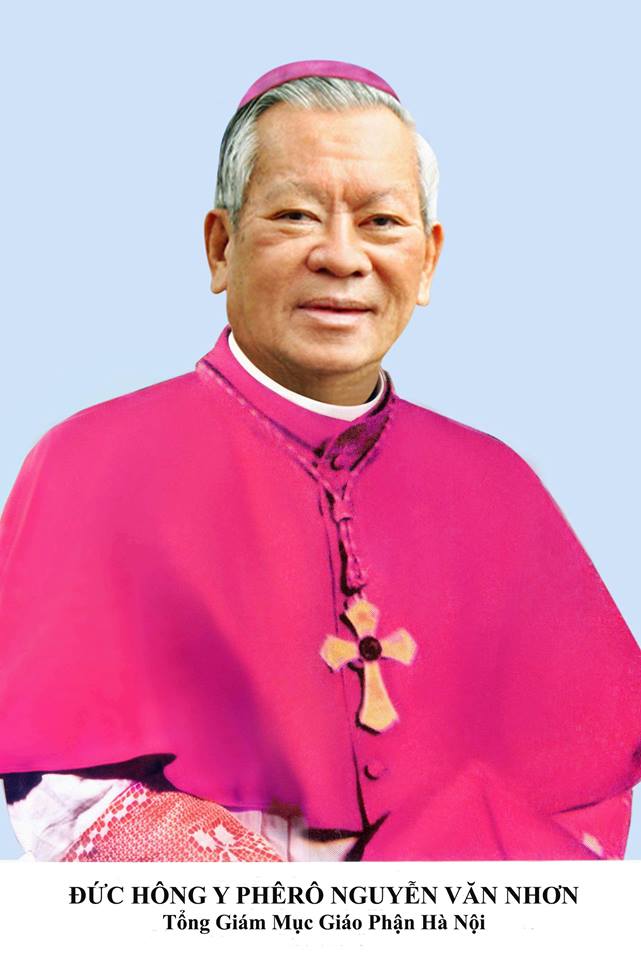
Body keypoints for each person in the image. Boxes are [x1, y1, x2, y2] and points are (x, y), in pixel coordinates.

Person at [1, 60, 640, 862]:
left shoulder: (497, 484)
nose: (342, 257)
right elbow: (63, 789)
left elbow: (584, 785)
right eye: (296, 215)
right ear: (221, 247)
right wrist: (300, 909)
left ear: (428, 261)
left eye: (381, 222)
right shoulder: (91, 464)